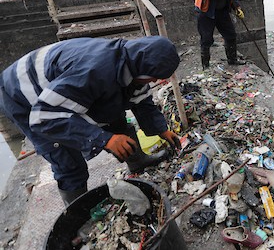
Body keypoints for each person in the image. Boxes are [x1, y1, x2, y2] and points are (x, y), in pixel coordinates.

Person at [0, 36, 182, 206]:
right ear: (142, 69)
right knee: (65, 155)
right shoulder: (95, 71)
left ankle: (137, 161)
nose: (156, 80)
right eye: (154, 76)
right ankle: (77, 214)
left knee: (113, 111)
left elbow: (141, 99)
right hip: (22, 95)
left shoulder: (131, 63)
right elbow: (44, 117)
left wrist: (160, 129)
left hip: (64, 85)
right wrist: (105, 139)